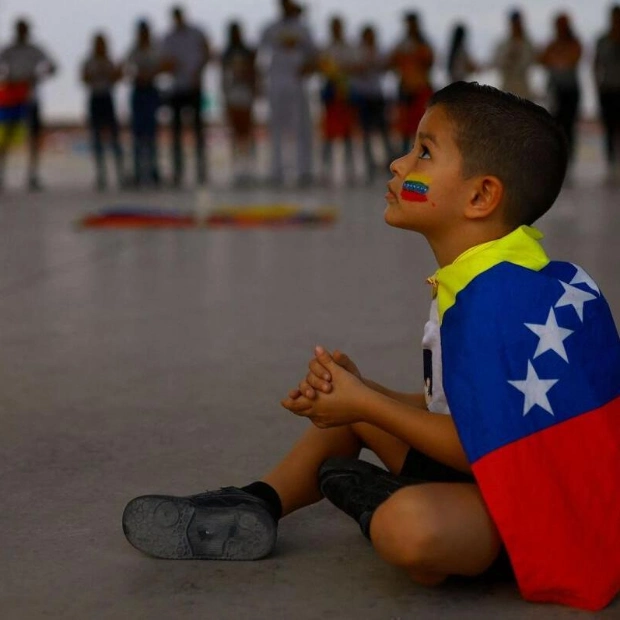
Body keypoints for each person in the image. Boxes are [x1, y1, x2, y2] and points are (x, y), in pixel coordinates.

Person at [122, 82, 620, 611]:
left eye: (424, 153)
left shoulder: (497, 304)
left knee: (411, 532)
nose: (398, 165)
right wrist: (358, 394)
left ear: (480, 196)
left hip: (546, 505)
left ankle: (390, 505)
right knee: (353, 413)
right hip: (505, 471)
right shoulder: (498, 278)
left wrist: (366, 403)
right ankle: (256, 502)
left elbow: (478, 447)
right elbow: (460, 411)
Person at [258, 0, 317, 186]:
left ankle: (304, 170)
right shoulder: (270, 28)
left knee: (302, 127)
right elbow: (261, 54)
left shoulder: (303, 28)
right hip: (276, 81)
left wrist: (308, 68)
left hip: (297, 82)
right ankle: (277, 171)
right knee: (276, 126)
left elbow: (314, 54)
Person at [0, 18, 57, 191]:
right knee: (6, 136)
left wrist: (38, 76)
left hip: (30, 97)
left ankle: (32, 175)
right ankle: (1, 175)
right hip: (11, 97)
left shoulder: (35, 50)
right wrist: (8, 78)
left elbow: (53, 67)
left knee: (33, 136)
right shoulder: (8, 50)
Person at [161, 5, 210, 187]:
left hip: (194, 87)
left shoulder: (197, 33)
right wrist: (171, 66)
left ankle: (201, 170)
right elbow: (164, 62)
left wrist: (198, 72)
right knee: (176, 133)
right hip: (177, 89)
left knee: (198, 131)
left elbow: (207, 52)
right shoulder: (168, 37)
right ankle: (178, 171)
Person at [81, 33, 124, 191]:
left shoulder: (110, 61)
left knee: (114, 137)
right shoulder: (89, 61)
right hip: (95, 98)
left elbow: (117, 78)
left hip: (107, 98)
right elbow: (84, 78)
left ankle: (120, 173)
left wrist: (110, 73)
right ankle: (101, 174)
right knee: (97, 138)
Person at [350, 25, 393, 183]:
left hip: (376, 95)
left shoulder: (379, 51)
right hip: (362, 96)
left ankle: (389, 163)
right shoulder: (357, 52)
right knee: (366, 133)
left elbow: (386, 67)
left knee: (383, 131)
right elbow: (353, 69)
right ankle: (370, 167)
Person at [318, 16, 357, 185]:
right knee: (328, 134)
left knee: (347, 134)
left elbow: (353, 68)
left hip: (345, 95)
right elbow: (323, 69)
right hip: (331, 95)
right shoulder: (327, 49)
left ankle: (350, 170)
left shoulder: (348, 48)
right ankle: (325, 170)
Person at [539, 14, 582, 163]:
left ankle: (569, 157)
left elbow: (572, 60)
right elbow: (543, 60)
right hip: (555, 90)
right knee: (555, 124)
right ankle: (559, 155)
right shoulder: (552, 44)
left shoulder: (574, 42)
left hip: (570, 90)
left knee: (569, 124)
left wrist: (556, 58)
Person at [389, 12, 434, 154]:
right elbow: (392, 62)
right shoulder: (402, 44)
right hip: (406, 90)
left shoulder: (423, 44)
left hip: (420, 90)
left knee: (422, 128)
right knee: (405, 129)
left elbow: (429, 63)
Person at [124, 20, 162, 187]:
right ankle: (140, 171)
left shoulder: (155, 49)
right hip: (139, 92)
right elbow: (125, 68)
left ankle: (153, 170)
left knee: (152, 133)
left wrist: (150, 74)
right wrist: (138, 76)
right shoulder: (133, 50)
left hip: (151, 91)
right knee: (139, 134)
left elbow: (163, 66)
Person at [220, 21, 257, 186]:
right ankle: (236, 168)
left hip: (245, 94)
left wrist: (254, 87)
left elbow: (254, 73)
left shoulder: (248, 52)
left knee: (246, 132)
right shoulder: (226, 54)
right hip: (232, 95)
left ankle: (248, 167)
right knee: (235, 132)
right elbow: (224, 77)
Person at [594, 4, 620, 177]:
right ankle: (611, 163)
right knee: (609, 127)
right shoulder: (603, 40)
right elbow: (596, 64)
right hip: (608, 89)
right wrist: (598, 84)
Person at [493, 9, 536, 99]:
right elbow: (497, 63)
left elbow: (535, 60)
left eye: (518, 22)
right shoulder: (503, 44)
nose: (517, 26)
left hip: (524, 91)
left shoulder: (529, 44)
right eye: (515, 23)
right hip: (507, 89)